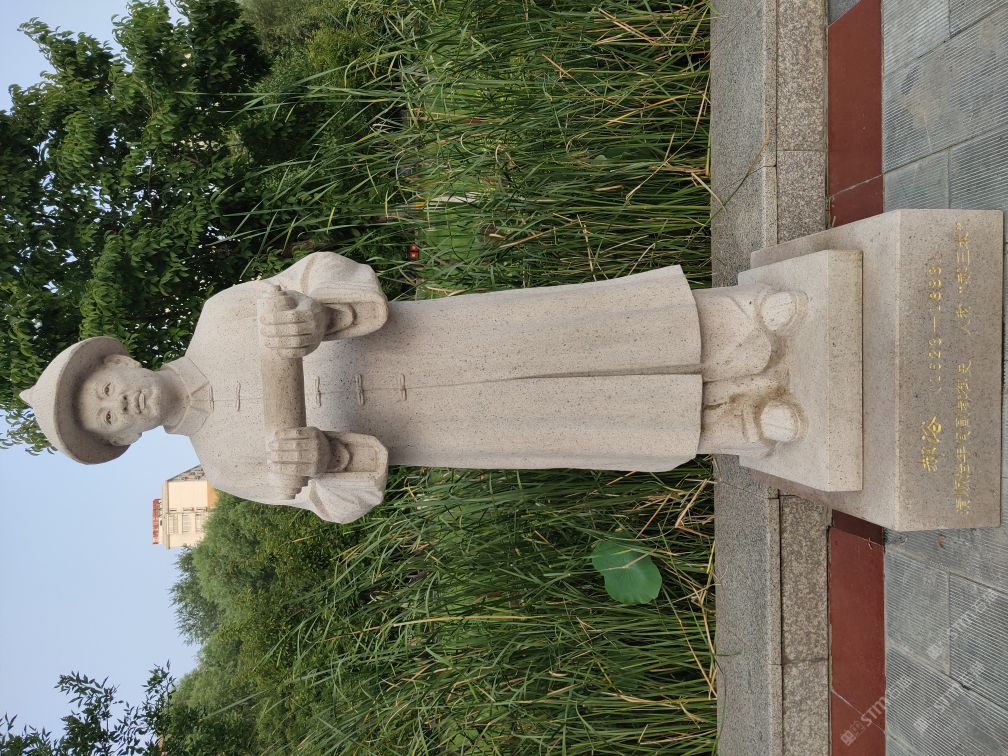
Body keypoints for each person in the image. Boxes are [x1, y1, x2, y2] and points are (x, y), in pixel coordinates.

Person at [20, 252, 803, 523]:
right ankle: (743, 415)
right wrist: (321, 460)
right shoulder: (228, 467)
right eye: (107, 420)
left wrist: (317, 314)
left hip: (431, 341)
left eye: (105, 391)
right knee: (572, 415)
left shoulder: (222, 316)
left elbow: (324, 273)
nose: (118, 405)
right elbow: (340, 503)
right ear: (123, 441)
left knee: (572, 328)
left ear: (118, 361)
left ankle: (738, 324)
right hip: (441, 425)